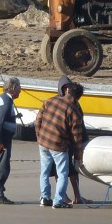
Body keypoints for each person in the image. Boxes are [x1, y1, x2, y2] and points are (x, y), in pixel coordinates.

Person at [34, 75, 85, 209]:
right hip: (59, 146)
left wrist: (38, 136)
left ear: (67, 91)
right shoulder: (74, 111)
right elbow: (77, 137)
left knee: (44, 172)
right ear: (77, 97)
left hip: (43, 142)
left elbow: (38, 120)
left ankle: (44, 197)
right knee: (63, 173)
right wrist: (78, 155)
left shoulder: (49, 101)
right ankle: (58, 200)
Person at [0, 77, 21, 205]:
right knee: (2, 166)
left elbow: (1, 118)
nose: (20, 91)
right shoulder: (6, 101)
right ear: (12, 88)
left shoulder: (1, 98)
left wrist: (15, 116)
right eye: (19, 88)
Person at [66, 81, 90, 204]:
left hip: (72, 142)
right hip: (67, 143)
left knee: (71, 170)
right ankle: (67, 196)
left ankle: (77, 196)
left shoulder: (74, 106)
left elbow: (78, 129)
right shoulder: (72, 106)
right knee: (63, 169)